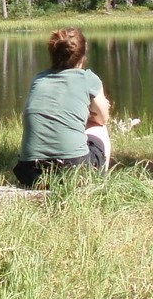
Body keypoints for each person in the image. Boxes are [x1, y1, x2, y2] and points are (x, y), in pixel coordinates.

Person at [13, 27, 112, 187]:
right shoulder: (88, 78)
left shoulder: (38, 79)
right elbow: (103, 118)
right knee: (99, 127)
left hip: (30, 172)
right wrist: (89, 115)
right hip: (73, 170)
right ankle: (99, 185)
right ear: (82, 57)